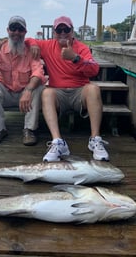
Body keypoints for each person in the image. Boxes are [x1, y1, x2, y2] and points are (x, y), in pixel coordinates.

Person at [27, 15, 109, 162]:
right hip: (58, 93)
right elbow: (26, 41)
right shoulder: (47, 46)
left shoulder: (82, 48)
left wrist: (75, 58)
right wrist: (33, 43)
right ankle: (58, 142)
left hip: (79, 91)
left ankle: (95, 139)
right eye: (59, 30)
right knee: (46, 93)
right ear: (54, 32)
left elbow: (94, 70)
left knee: (93, 89)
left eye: (66, 29)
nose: (63, 33)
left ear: (72, 31)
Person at [0, 15, 46, 146]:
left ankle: (30, 129)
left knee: (39, 87)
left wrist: (28, 90)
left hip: (25, 95)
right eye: (13, 28)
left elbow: (39, 72)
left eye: (20, 29)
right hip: (6, 93)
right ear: (8, 30)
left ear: (25, 32)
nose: (16, 32)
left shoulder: (31, 49)